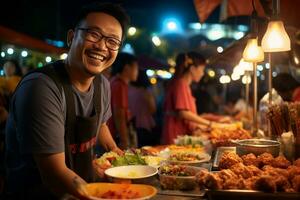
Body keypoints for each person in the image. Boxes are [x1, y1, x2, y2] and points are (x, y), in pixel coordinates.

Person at [5, 3, 129, 199]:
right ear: (71, 37)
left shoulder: (102, 85)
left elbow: (101, 124)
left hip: (80, 190)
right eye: (94, 34)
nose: (102, 46)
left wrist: (115, 151)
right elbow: (54, 174)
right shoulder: (41, 87)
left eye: (113, 41)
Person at [162, 52, 217, 144]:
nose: (202, 73)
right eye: (202, 69)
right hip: (176, 132)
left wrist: (200, 125)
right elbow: (183, 113)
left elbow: (189, 114)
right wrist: (210, 124)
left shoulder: (184, 85)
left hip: (181, 132)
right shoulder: (180, 84)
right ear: (192, 69)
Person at [108, 52, 139, 149]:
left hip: (111, 135)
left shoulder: (114, 81)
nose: (137, 71)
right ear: (127, 68)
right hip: (115, 136)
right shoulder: (119, 85)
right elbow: (119, 114)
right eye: (136, 67)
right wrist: (124, 140)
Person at [128, 70, 156, 147]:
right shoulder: (146, 93)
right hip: (144, 126)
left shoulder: (127, 90)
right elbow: (153, 109)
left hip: (131, 126)